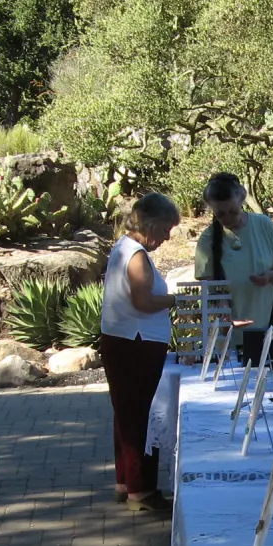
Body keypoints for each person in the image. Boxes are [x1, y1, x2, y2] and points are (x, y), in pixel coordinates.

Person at [100, 193, 181, 514]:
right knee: (141, 416)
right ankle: (141, 490)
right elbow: (143, 301)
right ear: (150, 223)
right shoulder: (135, 255)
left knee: (126, 414)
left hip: (123, 340)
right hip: (135, 343)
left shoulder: (123, 247)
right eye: (164, 229)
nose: (166, 237)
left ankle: (125, 482)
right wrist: (176, 300)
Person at [194, 172, 273, 363]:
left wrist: (270, 276)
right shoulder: (207, 239)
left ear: (242, 199)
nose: (228, 218)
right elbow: (206, 286)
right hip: (230, 329)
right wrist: (219, 302)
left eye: (233, 211)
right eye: (220, 214)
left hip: (267, 323)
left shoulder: (263, 224)